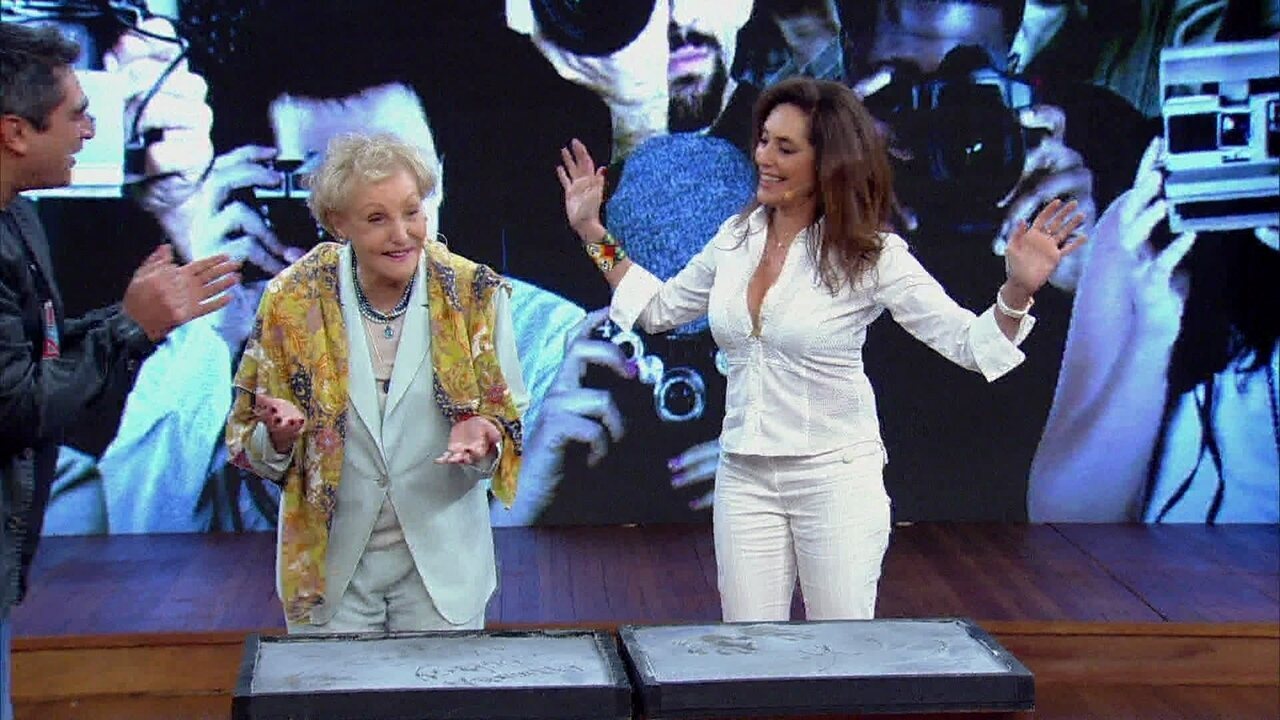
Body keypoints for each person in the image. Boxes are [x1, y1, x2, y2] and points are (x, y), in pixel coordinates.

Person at [556, 77, 1085, 621]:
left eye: (785, 148)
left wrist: (1019, 289)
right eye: (764, 141)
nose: (765, 158)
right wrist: (591, 231)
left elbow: (973, 347)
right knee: (750, 646)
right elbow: (655, 310)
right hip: (745, 482)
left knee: (838, 648)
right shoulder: (732, 243)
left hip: (834, 483)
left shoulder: (873, 256)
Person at [0, 21, 239, 717]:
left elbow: (36, 354)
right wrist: (133, 326)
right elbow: (19, 405)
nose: (91, 130)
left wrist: (133, 319)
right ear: (16, 133)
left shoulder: (19, 219)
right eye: (77, 114)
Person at [225, 132, 527, 632]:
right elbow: (251, 446)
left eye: (412, 212)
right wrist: (278, 438)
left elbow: (508, 414)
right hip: (330, 570)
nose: (402, 234)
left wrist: (486, 436)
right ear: (338, 223)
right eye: (377, 218)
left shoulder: (475, 294)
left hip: (443, 568)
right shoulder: (292, 301)